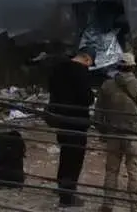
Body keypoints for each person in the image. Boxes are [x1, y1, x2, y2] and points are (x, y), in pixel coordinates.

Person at [94, 52, 137, 212]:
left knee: (111, 171)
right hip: (133, 134)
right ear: (133, 67)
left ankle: (108, 204)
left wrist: (103, 131)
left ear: (117, 66)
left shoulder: (107, 85)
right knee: (135, 171)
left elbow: (98, 112)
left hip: (113, 133)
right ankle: (135, 206)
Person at [45, 49, 95, 209]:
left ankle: (62, 187)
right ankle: (67, 196)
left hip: (60, 119)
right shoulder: (81, 72)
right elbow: (86, 98)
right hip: (76, 121)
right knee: (74, 159)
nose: (89, 66)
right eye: (90, 63)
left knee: (65, 154)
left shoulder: (58, 68)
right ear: (86, 58)